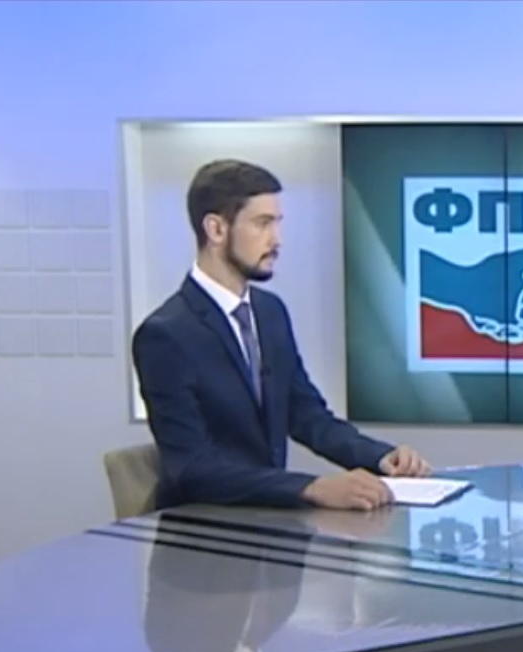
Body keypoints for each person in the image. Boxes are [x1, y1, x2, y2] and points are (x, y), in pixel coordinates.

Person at [132, 159, 432, 511]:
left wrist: (381, 458)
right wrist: (312, 488)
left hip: (266, 519)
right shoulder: (166, 336)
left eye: (278, 223)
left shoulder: (270, 312)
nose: (277, 240)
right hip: (201, 527)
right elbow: (192, 469)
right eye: (262, 224)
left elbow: (307, 416)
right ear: (216, 229)